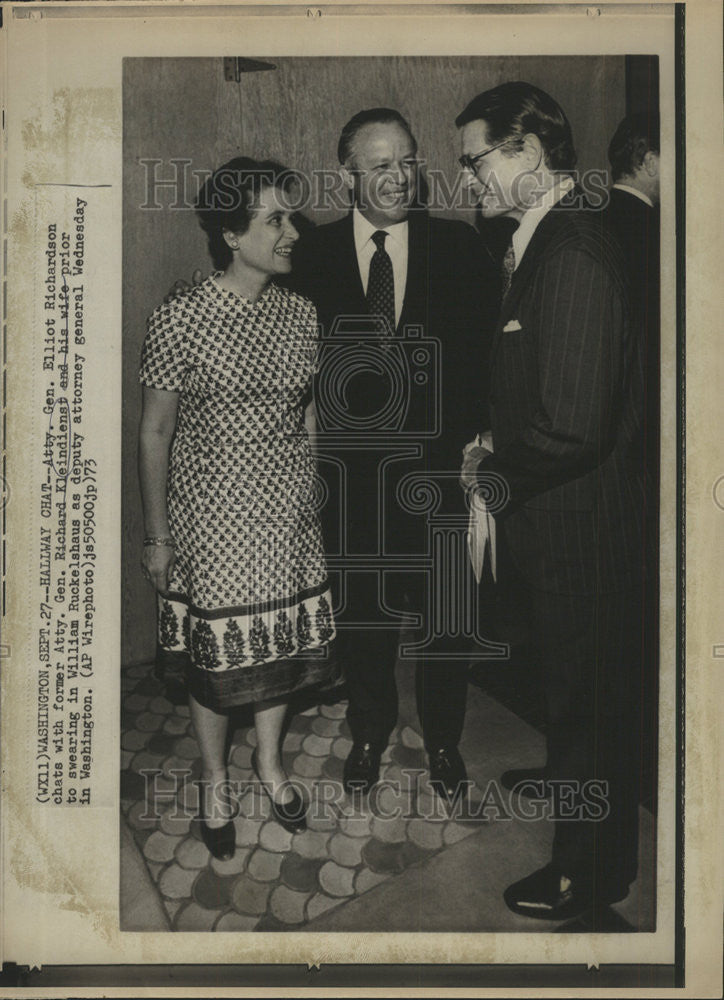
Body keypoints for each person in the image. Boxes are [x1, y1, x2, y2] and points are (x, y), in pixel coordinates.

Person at [457, 82, 648, 921]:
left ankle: (591, 875)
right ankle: (573, 786)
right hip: (565, 523)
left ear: (528, 152)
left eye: (475, 162)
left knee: (589, 705)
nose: (468, 183)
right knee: (576, 696)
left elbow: (571, 429)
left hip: (581, 531)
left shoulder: (570, 250)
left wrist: (495, 467)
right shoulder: (551, 238)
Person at [286, 108, 496, 808]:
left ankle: (443, 738)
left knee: (446, 620)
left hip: (441, 477)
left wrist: (479, 446)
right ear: (347, 172)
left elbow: (485, 364)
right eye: (380, 164)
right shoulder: (309, 256)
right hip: (349, 485)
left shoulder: (460, 249)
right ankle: (369, 731)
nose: (399, 176)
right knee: (365, 622)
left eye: (407, 160)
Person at [138, 157, 337, 861]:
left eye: (290, 216)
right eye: (275, 219)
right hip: (212, 519)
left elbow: (307, 412)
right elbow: (156, 431)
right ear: (231, 233)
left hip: (286, 515)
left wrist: (311, 490)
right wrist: (158, 539)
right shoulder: (182, 316)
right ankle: (216, 780)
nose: (292, 232)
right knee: (217, 660)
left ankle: (270, 763)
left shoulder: (302, 312)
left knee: (278, 647)